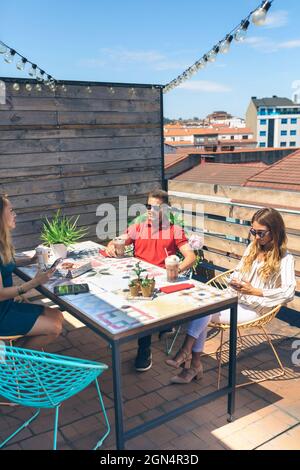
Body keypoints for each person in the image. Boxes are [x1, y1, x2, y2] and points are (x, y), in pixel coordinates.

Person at [166, 207, 296, 384]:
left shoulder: (285, 259)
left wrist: (256, 291)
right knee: (203, 307)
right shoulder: (252, 247)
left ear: (275, 231)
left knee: (205, 311)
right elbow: (238, 271)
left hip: (255, 307)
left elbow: (289, 292)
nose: (256, 237)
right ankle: (192, 362)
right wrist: (235, 281)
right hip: (235, 297)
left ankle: (187, 355)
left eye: (261, 233)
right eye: (253, 231)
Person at [106, 189, 196, 372]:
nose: (150, 211)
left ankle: (144, 350)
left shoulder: (174, 230)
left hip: (160, 279)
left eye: (155, 207)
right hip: (137, 275)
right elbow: (117, 241)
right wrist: (110, 246)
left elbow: (190, 256)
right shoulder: (138, 227)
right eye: (148, 206)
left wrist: (175, 269)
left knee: (143, 303)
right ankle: (119, 331)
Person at [0, 194, 64, 350]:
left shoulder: (2, 242)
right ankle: (17, 361)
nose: (15, 215)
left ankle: (12, 354)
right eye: (11, 211)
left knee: (58, 315)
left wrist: (30, 260)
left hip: (7, 306)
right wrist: (35, 282)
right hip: (2, 314)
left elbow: (6, 263)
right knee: (54, 327)